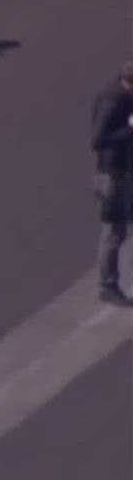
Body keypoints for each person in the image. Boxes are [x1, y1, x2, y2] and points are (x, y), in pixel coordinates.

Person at [91, 61, 133, 305]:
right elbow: (97, 140)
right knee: (114, 231)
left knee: (120, 227)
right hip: (112, 174)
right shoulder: (113, 100)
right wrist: (129, 129)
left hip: (124, 172)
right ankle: (107, 286)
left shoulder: (125, 97)